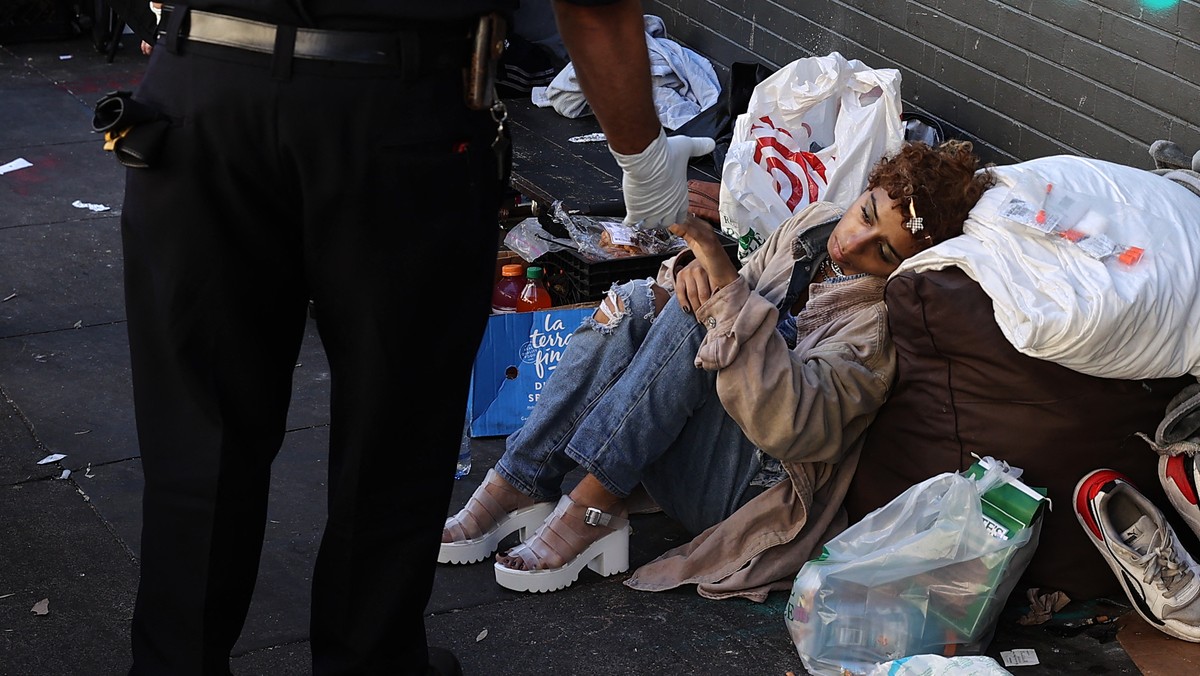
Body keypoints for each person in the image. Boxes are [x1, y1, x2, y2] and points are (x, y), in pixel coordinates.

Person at [117, 1, 710, 674]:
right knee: (393, 432)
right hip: (394, 103)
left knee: (199, 434)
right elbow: (594, 9)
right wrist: (646, 163)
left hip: (207, 84)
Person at [441, 141, 996, 598]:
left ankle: (593, 505)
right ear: (863, 190)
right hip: (684, 437)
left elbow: (794, 431)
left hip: (746, 488)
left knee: (708, 315)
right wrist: (687, 267)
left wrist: (720, 288)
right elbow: (730, 283)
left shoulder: (875, 329)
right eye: (866, 214)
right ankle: (520, 480)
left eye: (885, 253)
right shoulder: (815, 226)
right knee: (639, 300)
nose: (854, 243)